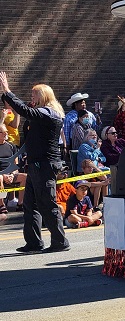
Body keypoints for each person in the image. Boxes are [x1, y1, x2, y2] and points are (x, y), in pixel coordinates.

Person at [0, 71, 70, 253]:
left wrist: (7, 90)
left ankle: (60, 242)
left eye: (34, 95)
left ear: (44, 96)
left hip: (44, 164)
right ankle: (34, 243)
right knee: (30, 205)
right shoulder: (41, 113)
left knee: (47, 202)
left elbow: (25, 111)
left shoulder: (49, 113)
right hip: (35, 164)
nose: (32, 98)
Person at [0, 123, 26, 210]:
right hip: (1, 174)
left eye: (6, 132)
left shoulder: (11, 146)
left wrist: (11, 174)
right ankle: (1, 204)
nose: (6, 134)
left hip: (11, 173)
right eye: (3, 132)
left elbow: (16, 164)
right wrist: (4, 175)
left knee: (25, 177)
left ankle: (20, 203)